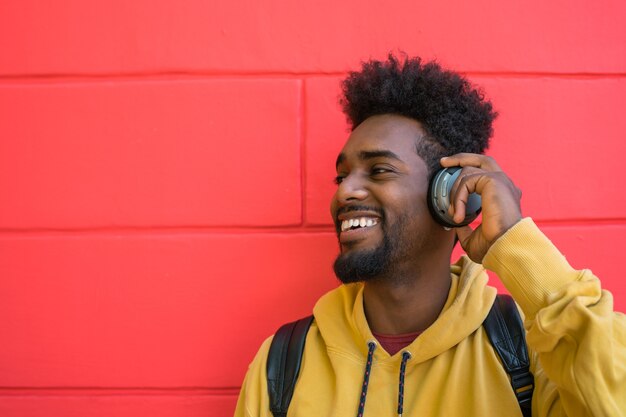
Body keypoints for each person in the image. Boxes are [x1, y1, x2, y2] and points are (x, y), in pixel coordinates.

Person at [234, 54, 626, 416]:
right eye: (342, 175)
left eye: (379, 171)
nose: (344, 192)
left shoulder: (529, 351)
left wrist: (513, 240)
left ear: (449, 193)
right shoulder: (282, 364)